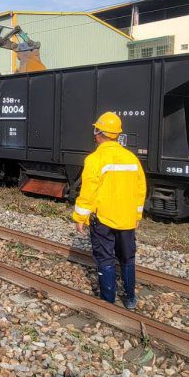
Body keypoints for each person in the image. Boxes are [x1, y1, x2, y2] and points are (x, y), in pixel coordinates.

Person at [72, 112, 147, 310]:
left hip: (103, 219)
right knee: (127, 257)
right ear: (116, 134)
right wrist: (137, 215)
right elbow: (141, 190)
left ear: (98, 133)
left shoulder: (95, 159)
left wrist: (80, 217)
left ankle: (108, 302)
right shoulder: (131, 158)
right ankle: (130, 299)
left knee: (105, 258)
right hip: (127, 219)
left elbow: (88, 192)